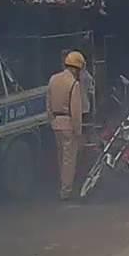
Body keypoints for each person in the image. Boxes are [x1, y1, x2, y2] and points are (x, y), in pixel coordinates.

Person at [46, 51, 86, 199]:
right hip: (69, 124)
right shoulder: (73, 84)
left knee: (61, 157)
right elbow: (76, 111)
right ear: (77, 68)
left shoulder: (53, 79)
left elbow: (48, 104)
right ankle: (66, 191)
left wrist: (52, 120)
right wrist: (78, 131)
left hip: (56, 124)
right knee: (69, 160)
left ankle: (62, 185)